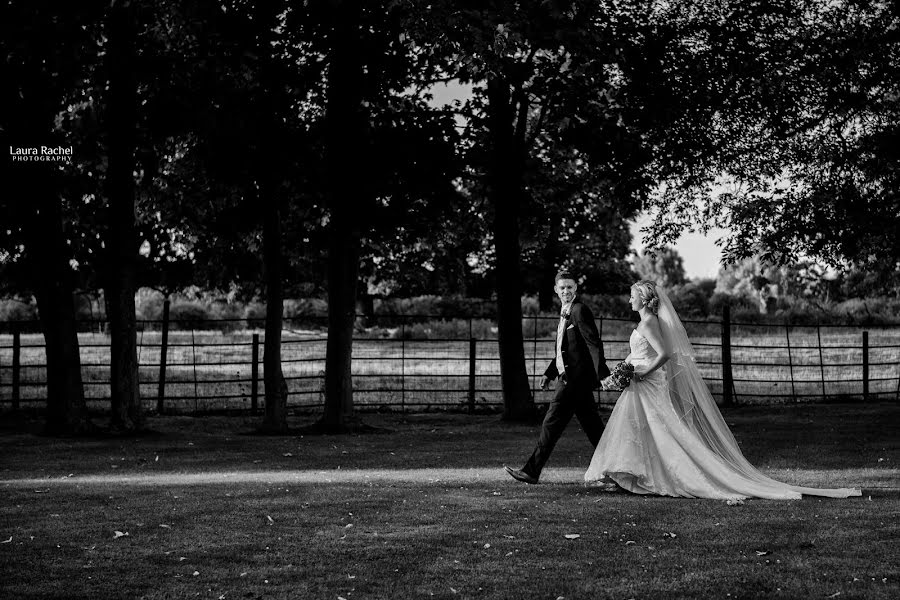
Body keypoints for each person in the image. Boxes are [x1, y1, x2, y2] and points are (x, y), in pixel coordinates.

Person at [584, 280, 861, 500]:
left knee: (661, 428)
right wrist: (624, 369)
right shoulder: (643, 323)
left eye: (633, 295)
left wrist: (643, 371)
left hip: (648, 381)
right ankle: (632, 476)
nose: (629, 299)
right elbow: (640, 352)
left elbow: (665, 353)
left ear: (644, 299)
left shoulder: (649, 322)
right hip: (638, 382)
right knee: (638, 427)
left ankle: (668, 476)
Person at [505, 270, 611, 485]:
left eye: (570, 287)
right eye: (562, 288)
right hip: (568, 379)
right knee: (594, 429)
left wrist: (603, 375)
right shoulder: (565, 311)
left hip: (573, 381)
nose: (566, 291)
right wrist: (549, 372)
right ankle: (619, 468)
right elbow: (565, 349)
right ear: (556, 290)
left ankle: (531, 471)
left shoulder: (580, 310)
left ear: (576, 288)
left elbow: (593, 343)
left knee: (551, 424)